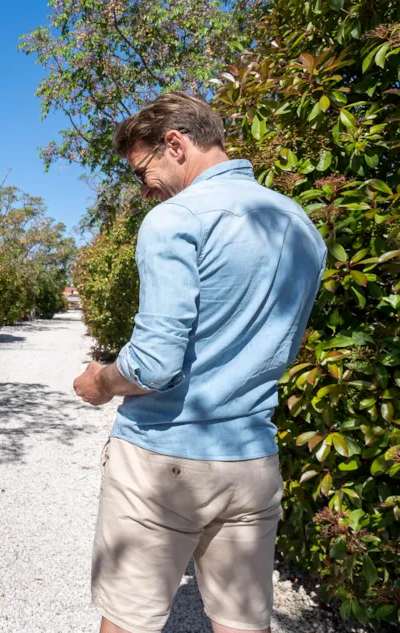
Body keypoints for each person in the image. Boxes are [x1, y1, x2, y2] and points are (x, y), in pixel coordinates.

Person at [73, 91, 327, 633]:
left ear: (175, 144)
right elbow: (290, 345)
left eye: (143, 172)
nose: (145, 191)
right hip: (252, 460)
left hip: (162, 460)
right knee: (242, 621)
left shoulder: (176, 219)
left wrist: (102, 381)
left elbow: (154, 365)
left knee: (128, 618)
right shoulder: (302, 226)